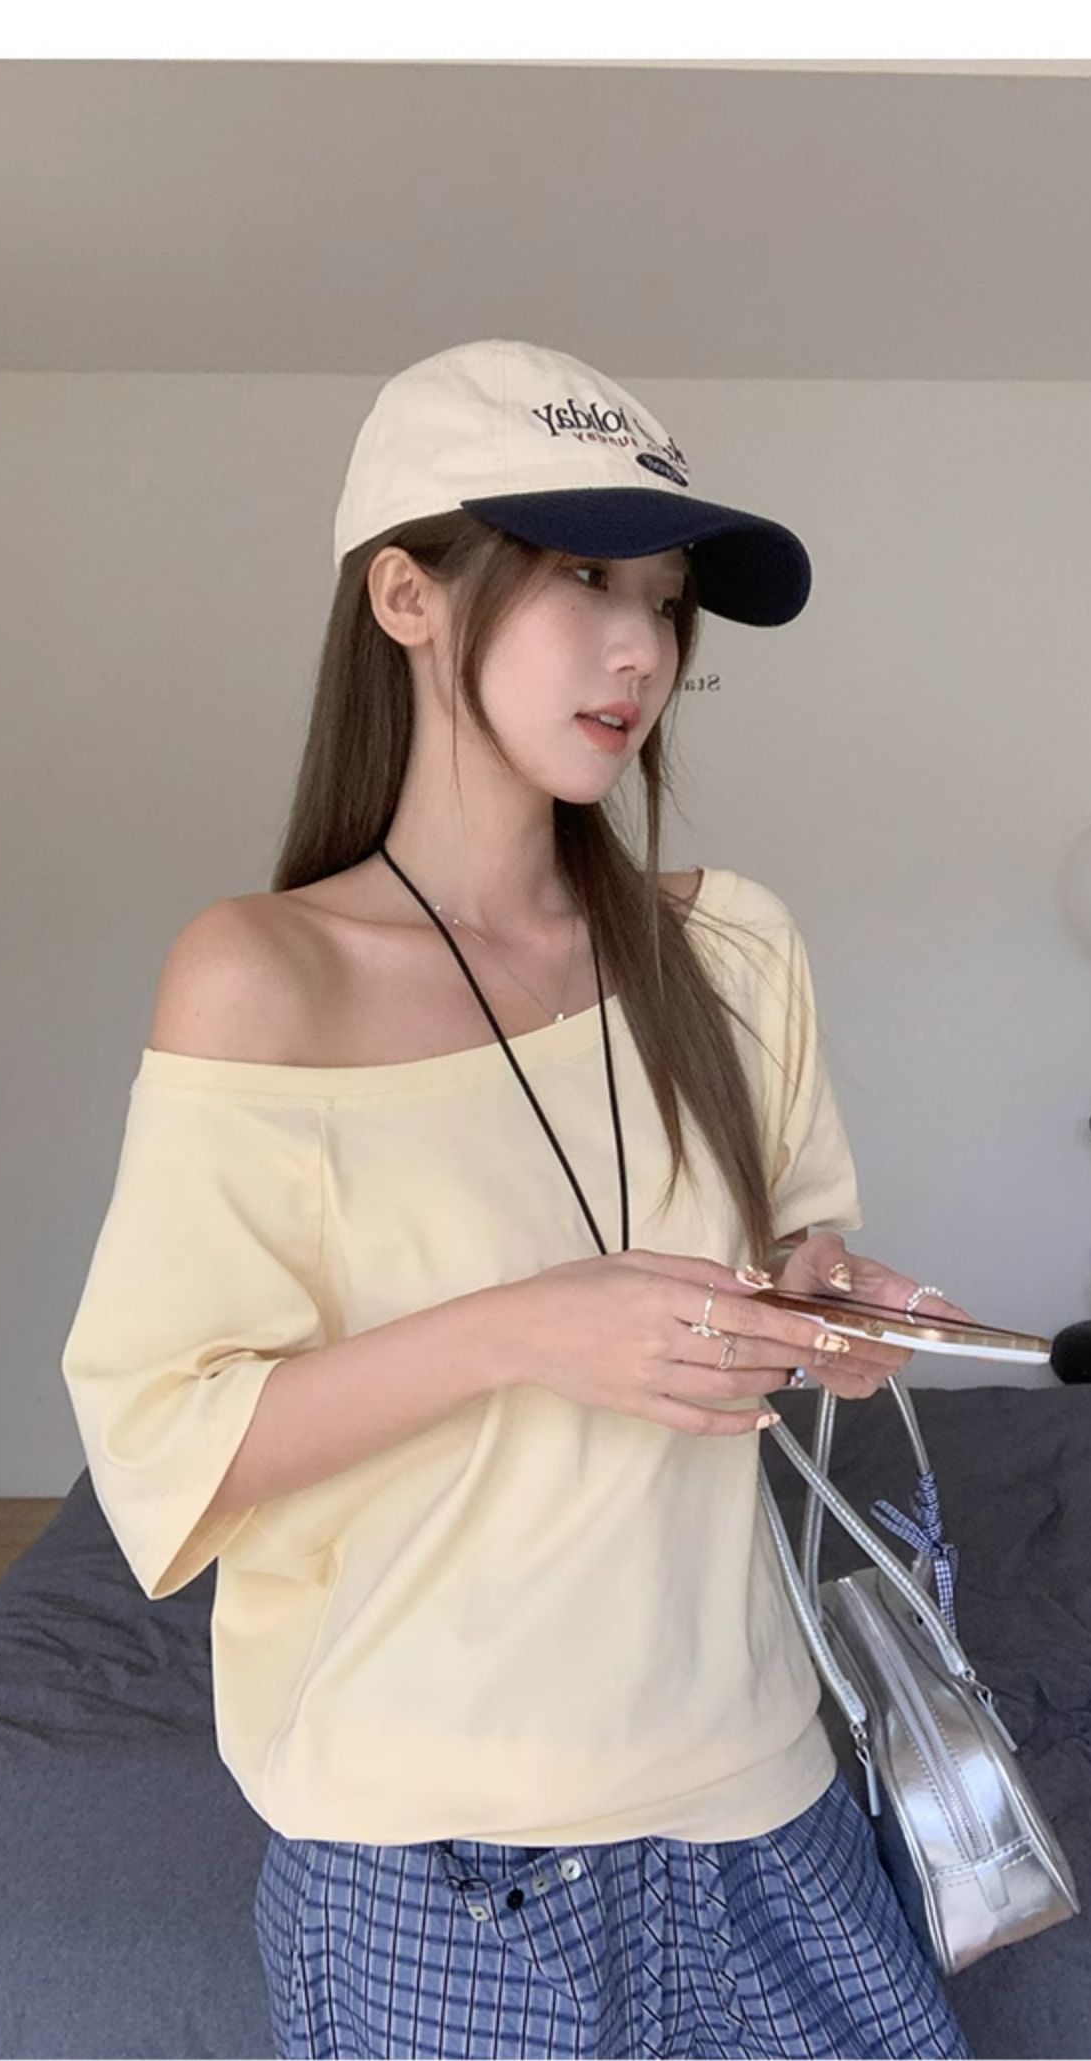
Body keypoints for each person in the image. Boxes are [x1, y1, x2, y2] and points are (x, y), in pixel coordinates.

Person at [60, 338, 975, 2061]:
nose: (643, 649)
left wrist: (826, 1304)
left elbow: (789, 1255)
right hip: (437, 1867)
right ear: (406, 595)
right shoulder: (263, 976)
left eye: (666, 600)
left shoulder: (732, 948)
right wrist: (525, 1330)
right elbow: (169, 1446)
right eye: (583, 580)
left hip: (763, 1794)